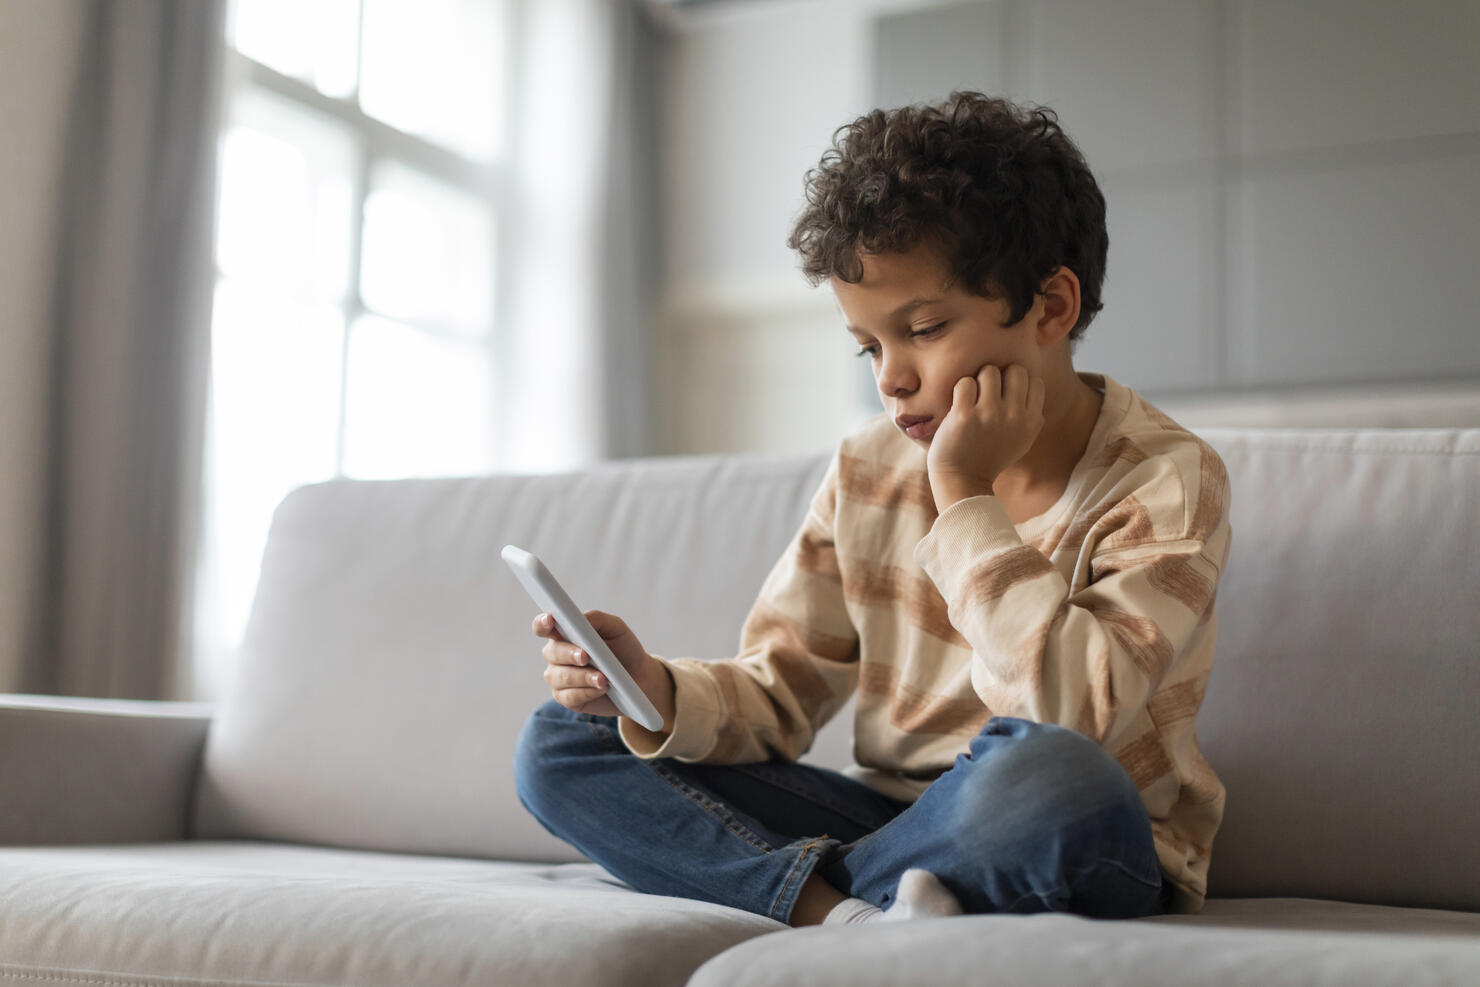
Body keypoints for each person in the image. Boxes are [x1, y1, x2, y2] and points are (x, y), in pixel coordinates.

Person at [513, 91, 1230, 927]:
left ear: (1052, 307)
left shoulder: (1166, 478)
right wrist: (656, 691)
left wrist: (963, 495)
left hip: (1066, 825)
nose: (889, 377)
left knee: (1048, 779)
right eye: (870, 345)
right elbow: (779, 693)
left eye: (922, 328)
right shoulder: (868, 466)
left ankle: (817, 892)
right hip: (888, 815)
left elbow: (1071, 718)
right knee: (562, 742)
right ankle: (843, 912)